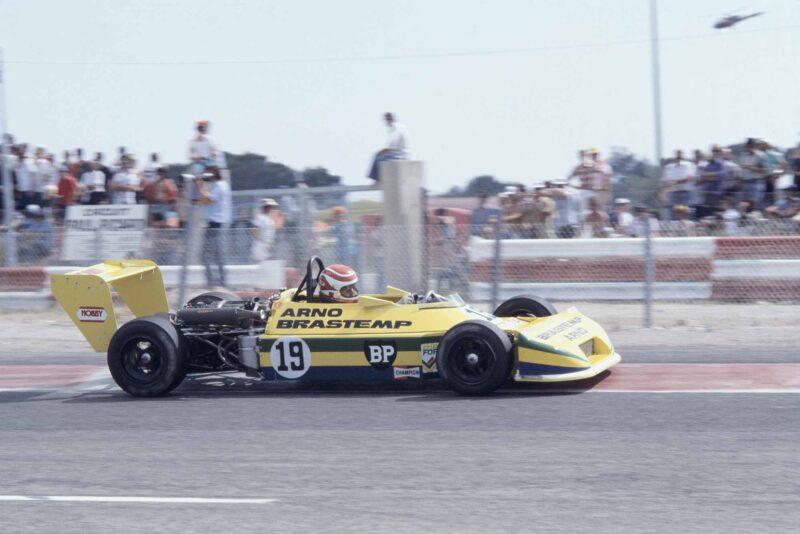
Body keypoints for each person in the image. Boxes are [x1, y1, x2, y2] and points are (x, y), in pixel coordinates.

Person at [197, 166, 232, 287]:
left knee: (205, 254)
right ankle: (220, 281)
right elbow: (202, 200)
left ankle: (212, 282)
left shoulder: (218, 186)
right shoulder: (220, 185)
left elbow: (207, 200)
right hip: (216, 223)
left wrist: (200, 185)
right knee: (217, 255)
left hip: (215, 223)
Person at [367, 112, 410, 181]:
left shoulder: (395, 128)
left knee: (377, 157)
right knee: (380, 157)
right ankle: (378, 178)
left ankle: (376, 179)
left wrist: (380, 152)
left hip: (399, 155)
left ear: (388, 120)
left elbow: (391, 146)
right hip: (402, 154)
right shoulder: (400, 127)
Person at [661, 149, 696, 218]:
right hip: (673, 194)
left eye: (680, 156)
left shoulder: (689, 165)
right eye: (677, 157)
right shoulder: (669, 167)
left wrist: (675, 182)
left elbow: (688, 178)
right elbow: (664, 182)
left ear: (683, 157)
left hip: (686, 194)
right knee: (672, 216)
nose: (679, 158)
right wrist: (662, 196)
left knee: (687, 215)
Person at [738, 138, 767, 208]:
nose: (748, 148)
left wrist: (751, 168)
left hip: (757, 182)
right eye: (747, 146)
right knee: (745, 203)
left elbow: (765, 170)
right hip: (745, 182)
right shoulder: (743, 155)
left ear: (754, 146)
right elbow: (741, 169)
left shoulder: (761, 155)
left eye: (750, 146)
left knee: (756, 203)